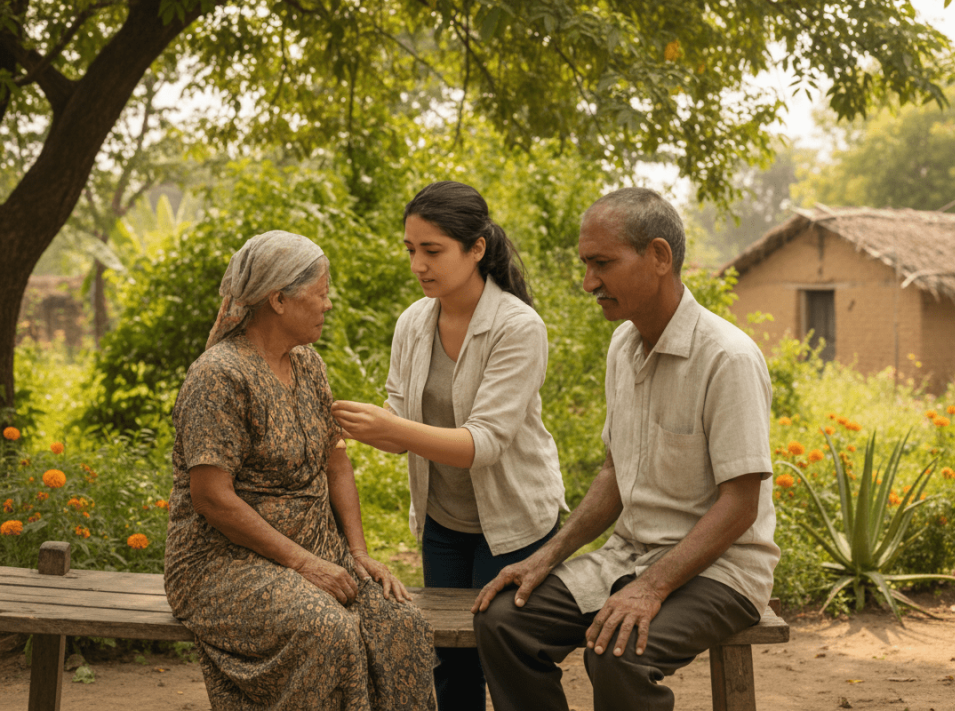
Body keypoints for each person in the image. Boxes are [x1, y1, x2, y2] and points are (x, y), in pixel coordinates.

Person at [471, 188, 780, 711]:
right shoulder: (624, 345)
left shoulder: (727, 358)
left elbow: (740, 506)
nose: (589, 282)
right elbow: (614, 474)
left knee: (618, 654)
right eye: (586, 265)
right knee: (503, 621)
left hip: (722, 572)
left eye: (603, 263)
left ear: (659, 256)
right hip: (629, 557)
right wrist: (544, 557)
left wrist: (651, 588)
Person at [164, 230, 435, 711]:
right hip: (222, 565)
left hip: (318, 551)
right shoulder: (219, 376)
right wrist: (305, 564)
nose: (328, 304)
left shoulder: (308, 364)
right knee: (326, 629)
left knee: (401, 623)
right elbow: (211, 497)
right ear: (279, 300)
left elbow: (337, 462)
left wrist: (357, 553)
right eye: (321, 293)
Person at [332, 181, 568, 711]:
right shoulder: (413, 322)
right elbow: (400, 428)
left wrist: (391, 427)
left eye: (432, 250)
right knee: (451, 664)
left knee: (506, 660)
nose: (418, 265)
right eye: (411, 250)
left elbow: (482, 443)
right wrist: (349, 423)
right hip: (444, 523)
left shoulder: (518, 326)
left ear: (476, 248)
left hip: (513, 524)